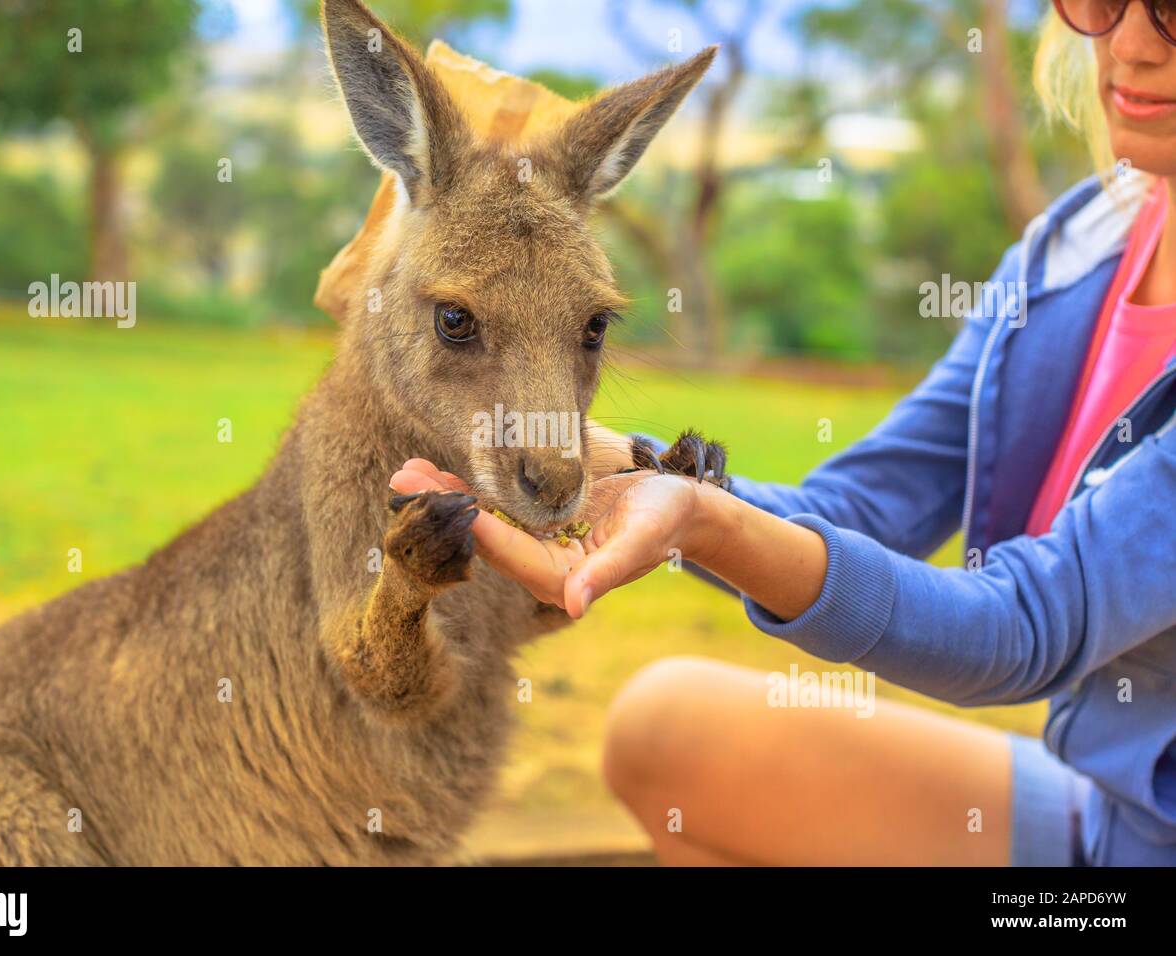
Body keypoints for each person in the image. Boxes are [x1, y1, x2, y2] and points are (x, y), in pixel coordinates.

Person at [391, 2, 1176, 866]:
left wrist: (706, 523)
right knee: (666, 730)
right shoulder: (1076, 248)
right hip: (1103, 810)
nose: (1128, 46)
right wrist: (632, 462)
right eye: (1105, 3)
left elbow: (1025, 628)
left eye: (1172, 15)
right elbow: (862, 508)